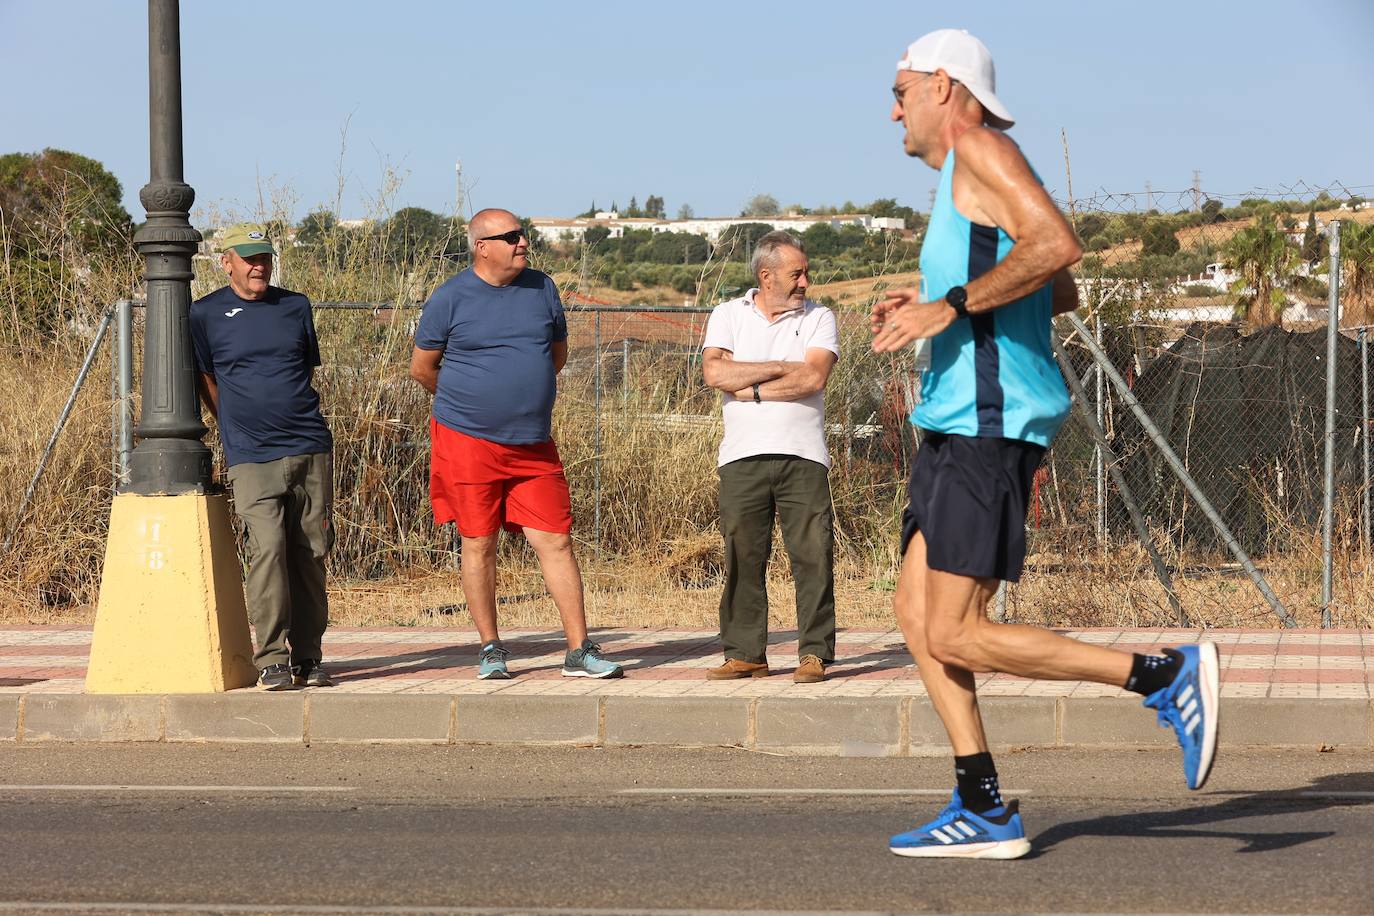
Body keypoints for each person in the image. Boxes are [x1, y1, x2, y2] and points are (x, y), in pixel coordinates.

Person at [871, 30, 1218, 859]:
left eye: (900, 91)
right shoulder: (969, 174)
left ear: (945, 87)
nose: (893, 112)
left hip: (986, 426)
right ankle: (982, 805)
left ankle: (1162, 675)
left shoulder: (982, 146)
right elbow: (1053, 286)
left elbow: (1058, 247)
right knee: (917, 618)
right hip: (958, 422)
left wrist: (951, 305)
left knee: (955, 630)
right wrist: (934, 296)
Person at [409, 208, 622, 680]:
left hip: (533, 442)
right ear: (483, 247)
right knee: (479, 542)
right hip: (467, 441)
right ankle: (490, 649)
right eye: (511, 237)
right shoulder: (450, 298)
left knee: (557, 539)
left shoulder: (542, 288)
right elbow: (423, 369)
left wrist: (522, 395)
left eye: (522, 234)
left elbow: (556, 354)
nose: (522, 242)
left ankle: (578, 650)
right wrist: (471, 403)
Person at [190, 222, 336, 691]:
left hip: (309, 446)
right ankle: (271, 657)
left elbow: (302, 372)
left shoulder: (295, 306)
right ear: (225, 261)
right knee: (267, 549)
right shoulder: (205, 314)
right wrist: (232, 424)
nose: (260, 266)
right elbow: (206, 379)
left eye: (265, 258)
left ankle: (309, 657)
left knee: (310, 553)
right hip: (251, 454)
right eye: (249, 258)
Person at [701, 231, 839, 684]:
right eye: (796, 273)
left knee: (813, 553)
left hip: (804, 455)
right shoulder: (727, 314)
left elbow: (813, 377)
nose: (805, 281)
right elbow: (714, 372)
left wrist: (753, 387)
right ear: (767, 275)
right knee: (743, 552)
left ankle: (814, 653)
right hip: (742, 456)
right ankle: (746, 653)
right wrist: (783, 364)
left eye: (805, 272)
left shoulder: (820, 317)